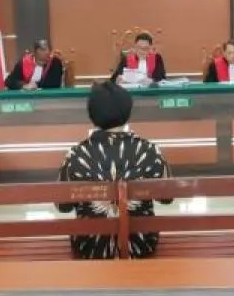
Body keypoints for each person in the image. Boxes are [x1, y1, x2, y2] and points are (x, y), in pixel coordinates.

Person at [56, 81, 172, 259]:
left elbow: (62, 206)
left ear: (92, 114)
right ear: (127, 112)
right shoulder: (149, 150)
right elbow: (167, 198)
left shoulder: (77, 154)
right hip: (140, 245)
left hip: (91, 247)